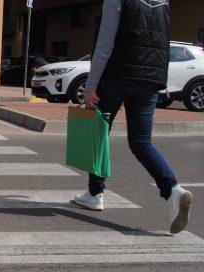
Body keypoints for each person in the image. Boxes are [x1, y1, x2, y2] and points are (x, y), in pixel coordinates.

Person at [72, 0, 193, 234]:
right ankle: (173, 190)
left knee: (98, 133)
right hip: (151, 80)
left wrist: (90, 85)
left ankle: (95, 194)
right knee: (141, 142)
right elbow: (162, 43)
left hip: (118, 76)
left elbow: (105, 44)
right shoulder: (163, 2)